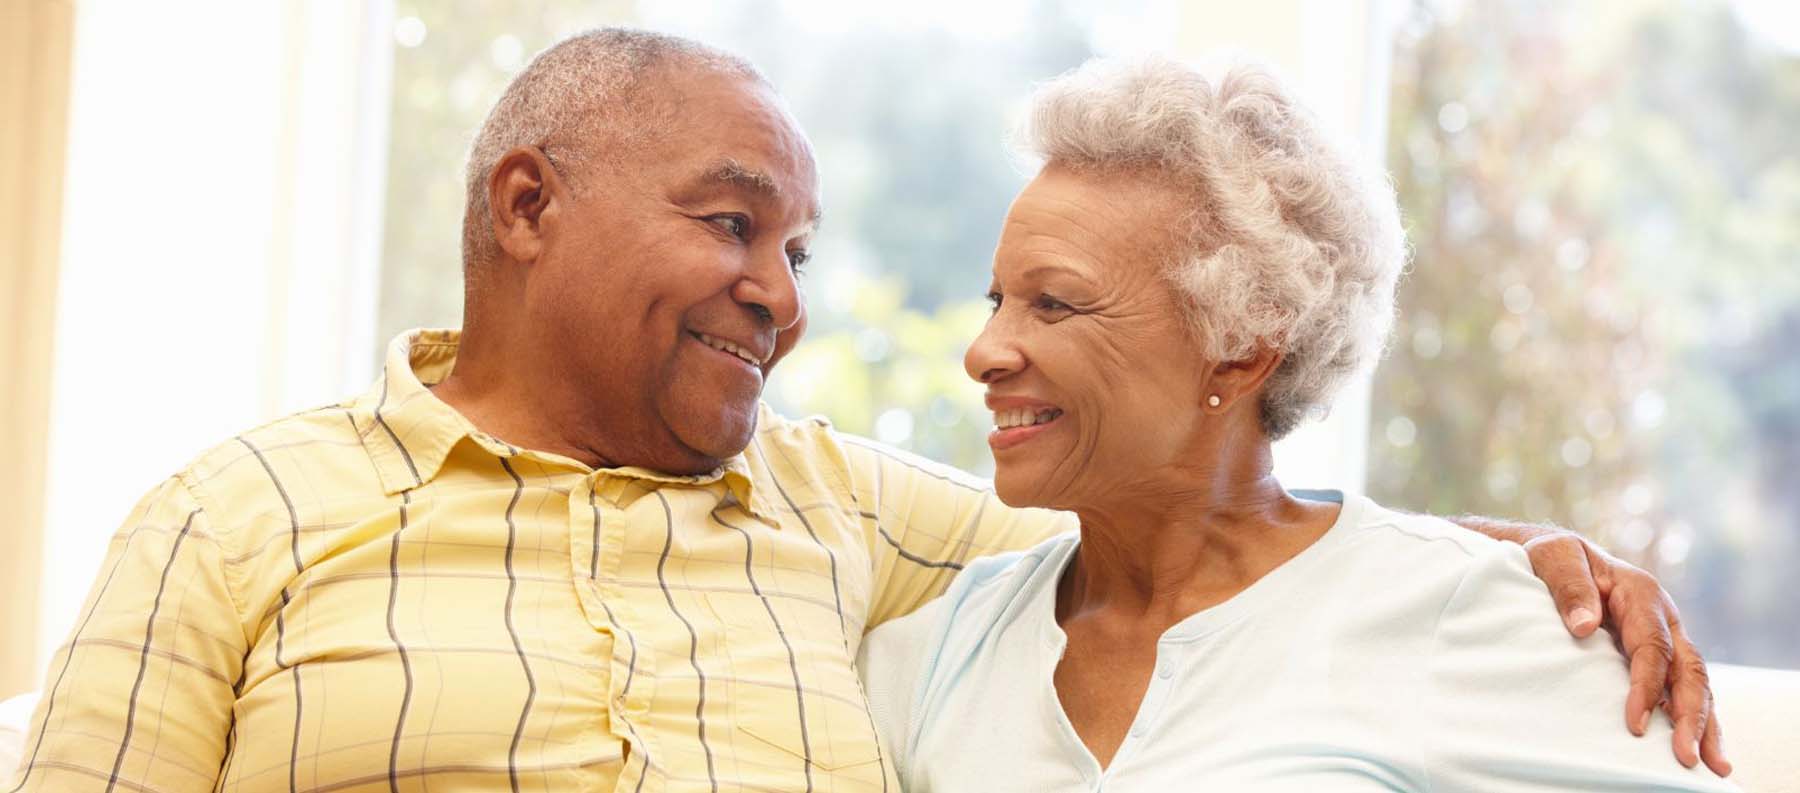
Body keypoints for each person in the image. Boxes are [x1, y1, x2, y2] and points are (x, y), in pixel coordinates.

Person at [6, 29, 1724, 793]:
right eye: (734, 221)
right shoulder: (241, 517)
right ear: (525, 208)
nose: (786, 290)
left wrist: (1517, 565)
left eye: (801, 246)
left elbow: (1213, 546)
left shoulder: (849, 516)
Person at [857, 56, 1736, 791]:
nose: (984, 351)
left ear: (1240, 349)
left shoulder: (1466, 613)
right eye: (997, 299)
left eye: (1054, 303)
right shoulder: (937, 649)